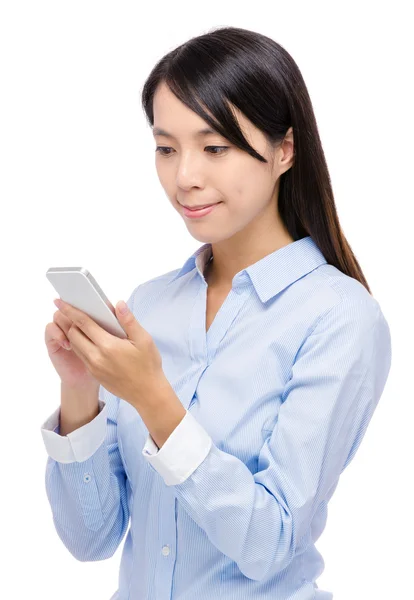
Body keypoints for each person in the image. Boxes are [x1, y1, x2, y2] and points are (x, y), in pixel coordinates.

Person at [41, 26, 392, 600]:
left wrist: (155, 398)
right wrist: (80, 392)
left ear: (284, 149)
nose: (185, 177)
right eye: (166, 147)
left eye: (215, 147)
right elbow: (92, 540)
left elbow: (269, 543)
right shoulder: (151, 305)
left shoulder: (339, 318)